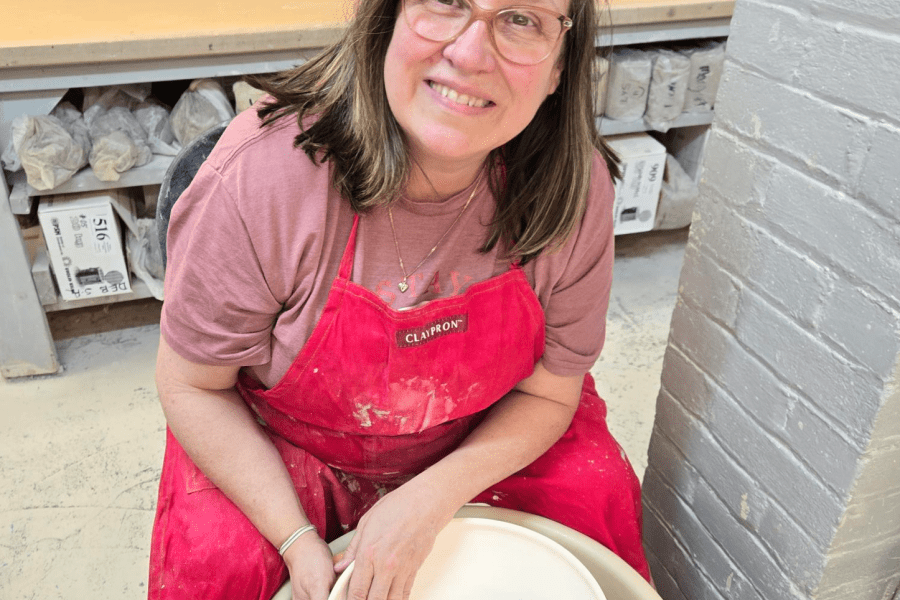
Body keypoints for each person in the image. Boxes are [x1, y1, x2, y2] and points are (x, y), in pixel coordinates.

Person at [149, 0, 651, 598]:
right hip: (287, 449)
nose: (469, 54)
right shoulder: (265, 178)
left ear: (558, 70)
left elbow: (548, 393)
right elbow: (193, 386)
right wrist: (294, 540)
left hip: (480, 437)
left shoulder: (571, 185)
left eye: (522, 19)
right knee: (220, 562)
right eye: (447, 2)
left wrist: (432, 497)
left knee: (596, 494)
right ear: (385, 16)